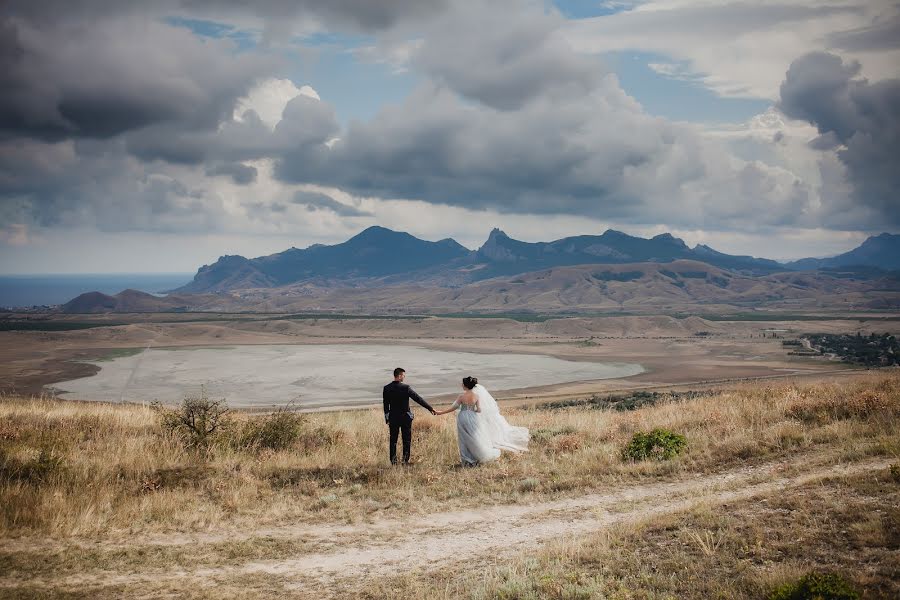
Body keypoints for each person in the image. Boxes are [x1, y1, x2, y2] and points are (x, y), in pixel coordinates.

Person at [433, 376, 501, 466]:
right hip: (473, 417)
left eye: (462, 383)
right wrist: (473, 411)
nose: (461, 385)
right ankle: (477, 456)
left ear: (465, 385)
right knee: (474, 437)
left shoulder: (461, 396)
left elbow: (453, 408)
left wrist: (441, 413)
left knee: (464, 439)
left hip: (463, 417)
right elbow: (479, 410)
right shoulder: (477, 396)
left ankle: (467, 459)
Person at [383, 367, 435, 465]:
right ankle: (405, 461)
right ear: (399, 376)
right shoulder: (405, 388)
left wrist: (387, 419)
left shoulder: (386, 388)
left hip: (393, 418)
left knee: (393, 440)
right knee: (406, 440)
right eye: (403, 375)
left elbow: (385, 405)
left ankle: (393, 462)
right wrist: (430, 408)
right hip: (405, 418)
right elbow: (418, 399)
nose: (404, 377)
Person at [471, 381, 529, 452]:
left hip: (481, 414)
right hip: (487, 413)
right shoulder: (481, 389)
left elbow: (477, 406)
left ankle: (488, 440)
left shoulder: (474, 392)